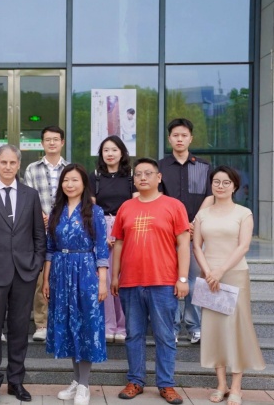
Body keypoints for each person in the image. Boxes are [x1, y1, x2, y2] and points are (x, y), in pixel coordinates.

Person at [110, 158, 190, 405]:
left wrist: (183, 278)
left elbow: (183, 244)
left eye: (148, 173)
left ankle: (166, 384)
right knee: (133, 335)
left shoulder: (174, 206)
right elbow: (119, 243)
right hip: (130, 282)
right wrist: (115, 276)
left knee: (165, 335)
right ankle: (135, 380)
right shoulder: (126, 207)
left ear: (159, 177)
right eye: (138, 174)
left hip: (163, 281)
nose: (142, 178)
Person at [0, 144, 46, 405]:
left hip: (24, 273)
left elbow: (39, 234)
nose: (8, 167)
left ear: (19, 165)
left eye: (13, 162)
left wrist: (37, 263)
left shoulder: (30, 195)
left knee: (19, 329)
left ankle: (16, 381)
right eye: (3, 162)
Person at [192, 166, 265, 405]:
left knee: (236, 328)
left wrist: (221, 270)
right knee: (214, 329)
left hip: (234, 274)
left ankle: (236, 386)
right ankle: (221, 384)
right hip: (209, 276)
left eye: (226, 182)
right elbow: (196, 246)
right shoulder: (203, 214)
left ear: (234, 186)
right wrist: (208, 272)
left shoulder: (244, 213)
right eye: (216, 181)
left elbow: (243, 246)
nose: (220, 186)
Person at [42, 164, 108, 405]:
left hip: (86, 272)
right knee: (69, 326)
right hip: (60, 272)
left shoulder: (94, 211)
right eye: (66, 180)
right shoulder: (56, 210)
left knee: (86, 325)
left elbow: (101, 248)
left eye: (74, 180)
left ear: (83, 183)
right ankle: (76, 380)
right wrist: (46, 279)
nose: (69, 184)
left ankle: (84, 384)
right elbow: (50, 248)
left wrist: (102, 281)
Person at [158, 118, 214, 344]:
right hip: (167, 233)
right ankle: (171, 325)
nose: (179, 139)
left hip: (194, 232)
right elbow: (157, 197)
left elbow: (209, 196)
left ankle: (194, 325)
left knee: (193, 280)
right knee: (169, 280)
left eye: (184, 135)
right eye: (175, 135)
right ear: (169, 138)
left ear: (191, 138)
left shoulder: (204, 166)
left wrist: (194, 223)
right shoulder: (160, 167)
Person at [23, 125, 69, 342]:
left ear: (62, 142)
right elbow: (28, 196)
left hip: (65, 228)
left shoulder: (70, 169)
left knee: (64, 275)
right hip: (39, 229)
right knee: (42, 278)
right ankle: (41, 323)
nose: (52, 143)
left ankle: (62, 321)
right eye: (48, 139)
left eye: (56, 139)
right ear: (42, 143)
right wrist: (41, 215)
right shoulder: (32, 169)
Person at [89, 135, 136, 343]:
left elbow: (135, 206)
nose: (110, 154)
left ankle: (124, 325)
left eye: (114, 150)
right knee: (105, 278)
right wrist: (102, 235)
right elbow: (91, 209)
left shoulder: (131, 176)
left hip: (126, 228)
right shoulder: (95, 177)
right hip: (102, 227)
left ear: (122, 152)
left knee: (125, 278)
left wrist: (121, 234)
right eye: (106, 150)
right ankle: (108, 324)